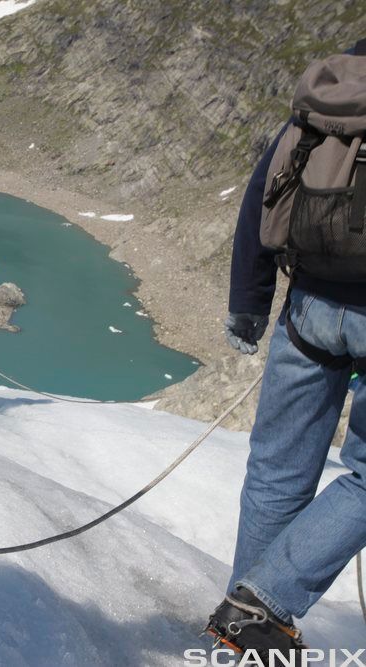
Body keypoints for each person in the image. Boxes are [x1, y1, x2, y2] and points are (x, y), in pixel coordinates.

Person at [206, 42, 366, 655]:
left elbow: (264, 189)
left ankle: (239, 636)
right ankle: (261, 605)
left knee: (276, 469)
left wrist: (249, 299)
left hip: (308, 309)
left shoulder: (328, 89)